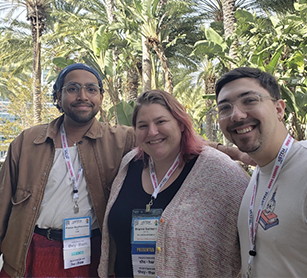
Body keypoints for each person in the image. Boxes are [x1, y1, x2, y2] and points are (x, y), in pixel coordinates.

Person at [0, 63, 251, 278]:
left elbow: (178, 139)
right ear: (58, 96)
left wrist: (236, 151)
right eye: (72, 88)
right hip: (33, 252)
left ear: (101, 97)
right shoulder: (28, 142)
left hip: (91, 255)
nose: (83, 95)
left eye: (91, 89)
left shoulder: (122, 138)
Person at [215, 67, 307, 278]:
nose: (236, 115)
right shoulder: (260, 174)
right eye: (225, 107)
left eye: (250, 100)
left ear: (279, 109)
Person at [98, 90, 249, 278]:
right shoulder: (129, 164)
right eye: (142, 125)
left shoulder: (219, 171)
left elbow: (253, 240)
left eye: (161, 122)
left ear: (180, 123)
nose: (152, 132)